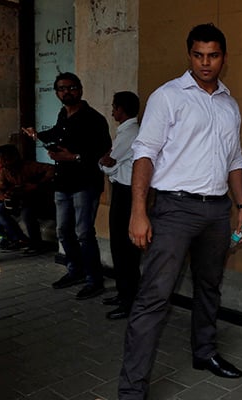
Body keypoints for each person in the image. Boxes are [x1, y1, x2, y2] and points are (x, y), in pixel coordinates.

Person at [118, 23, 242, 400]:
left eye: (213, 56)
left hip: (216, 211)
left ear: (224, 57)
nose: (205, 63)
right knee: (154, 297)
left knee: (209, 287)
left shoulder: (229, 104)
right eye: (198, 55)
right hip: (174, 209)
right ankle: (132, 389)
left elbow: (235, 158)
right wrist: (138, 211)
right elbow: (145, 152)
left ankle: (204, 353)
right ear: (189, 55)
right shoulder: (168, 97)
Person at [22, 72, 112, 299]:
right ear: (57, 93)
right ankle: (75, 271)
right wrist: (37, 135)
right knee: (63, 230)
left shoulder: (94, 119)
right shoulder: (64, 114)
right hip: (62, 182)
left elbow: (104, 151)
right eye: (62, 89)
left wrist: (74, 157)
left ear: (80, 89)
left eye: (71, 87)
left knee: (84, 233)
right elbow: (56, 133)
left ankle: (95, 280)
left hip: (85, 183)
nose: (67, 92)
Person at [99, 91, 142, 320]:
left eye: (114, 107)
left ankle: (129, 300)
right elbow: (109, 162)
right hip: (121, 191)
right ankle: (123, 293)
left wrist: (104, 162)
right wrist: (106, 162)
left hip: (126, 193)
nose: (112, 111)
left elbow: (108, 164)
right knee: (118, 246)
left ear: (122, 109)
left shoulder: (130, 133)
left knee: (125, 248)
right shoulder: (125, 131)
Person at [0, 144, 55, 253]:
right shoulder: (5, 171)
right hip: (19, 201)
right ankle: (19, 239)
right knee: (0, 210)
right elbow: (1, 188)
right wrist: (5, 195)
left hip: (37, 201)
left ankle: (36, 244)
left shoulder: (29, 166)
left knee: (27, 214)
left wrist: (36, 185)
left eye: (4, 158)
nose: (2, 161)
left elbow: (52, 169)